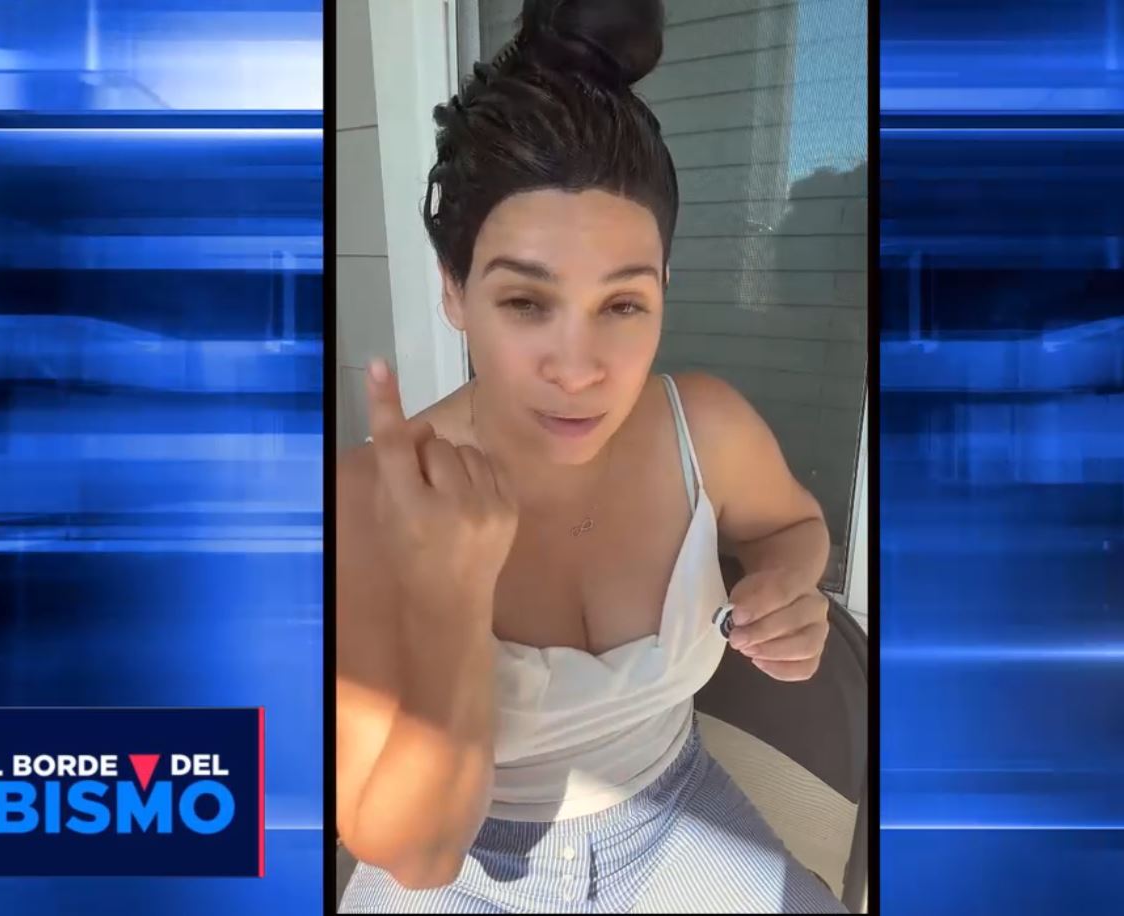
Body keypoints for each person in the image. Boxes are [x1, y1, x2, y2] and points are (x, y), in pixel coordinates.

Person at [334, 1, 845, 911]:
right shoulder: (374, 498)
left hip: (676, 809)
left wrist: (787, 584)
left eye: (622, 305)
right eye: (526, 303)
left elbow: (792, 524)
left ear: (664, 292)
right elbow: (415, 856)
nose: (578, 371)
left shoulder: (706, 426)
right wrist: (452, 596)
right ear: (453, 290)